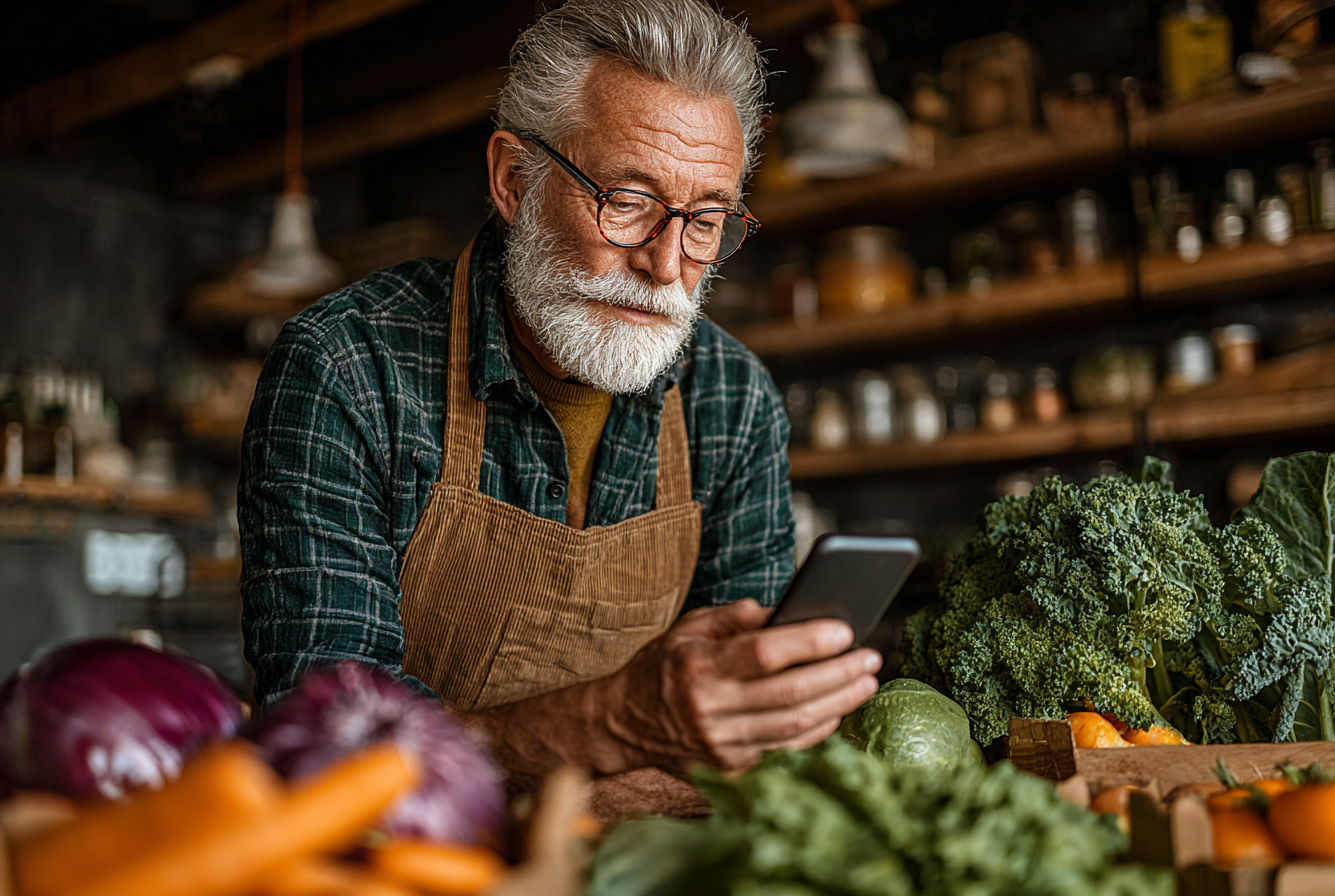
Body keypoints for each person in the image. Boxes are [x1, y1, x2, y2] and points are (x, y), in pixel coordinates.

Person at [239, 0, 880, 789]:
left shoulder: (733, 397)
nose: (666, 261)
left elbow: (751, 720)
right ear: (514, 180)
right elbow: (323, 740)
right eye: (628, 202)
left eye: (705, 219)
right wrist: (617, 719)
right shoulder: (347, 367)